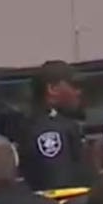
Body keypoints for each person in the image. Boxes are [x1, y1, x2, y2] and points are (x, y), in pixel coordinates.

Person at [16, 60, 89, 191]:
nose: (78, 92)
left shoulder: (32, 123)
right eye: (74, 86)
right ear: (52, 89)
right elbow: (59, 187)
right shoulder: (50, 130)